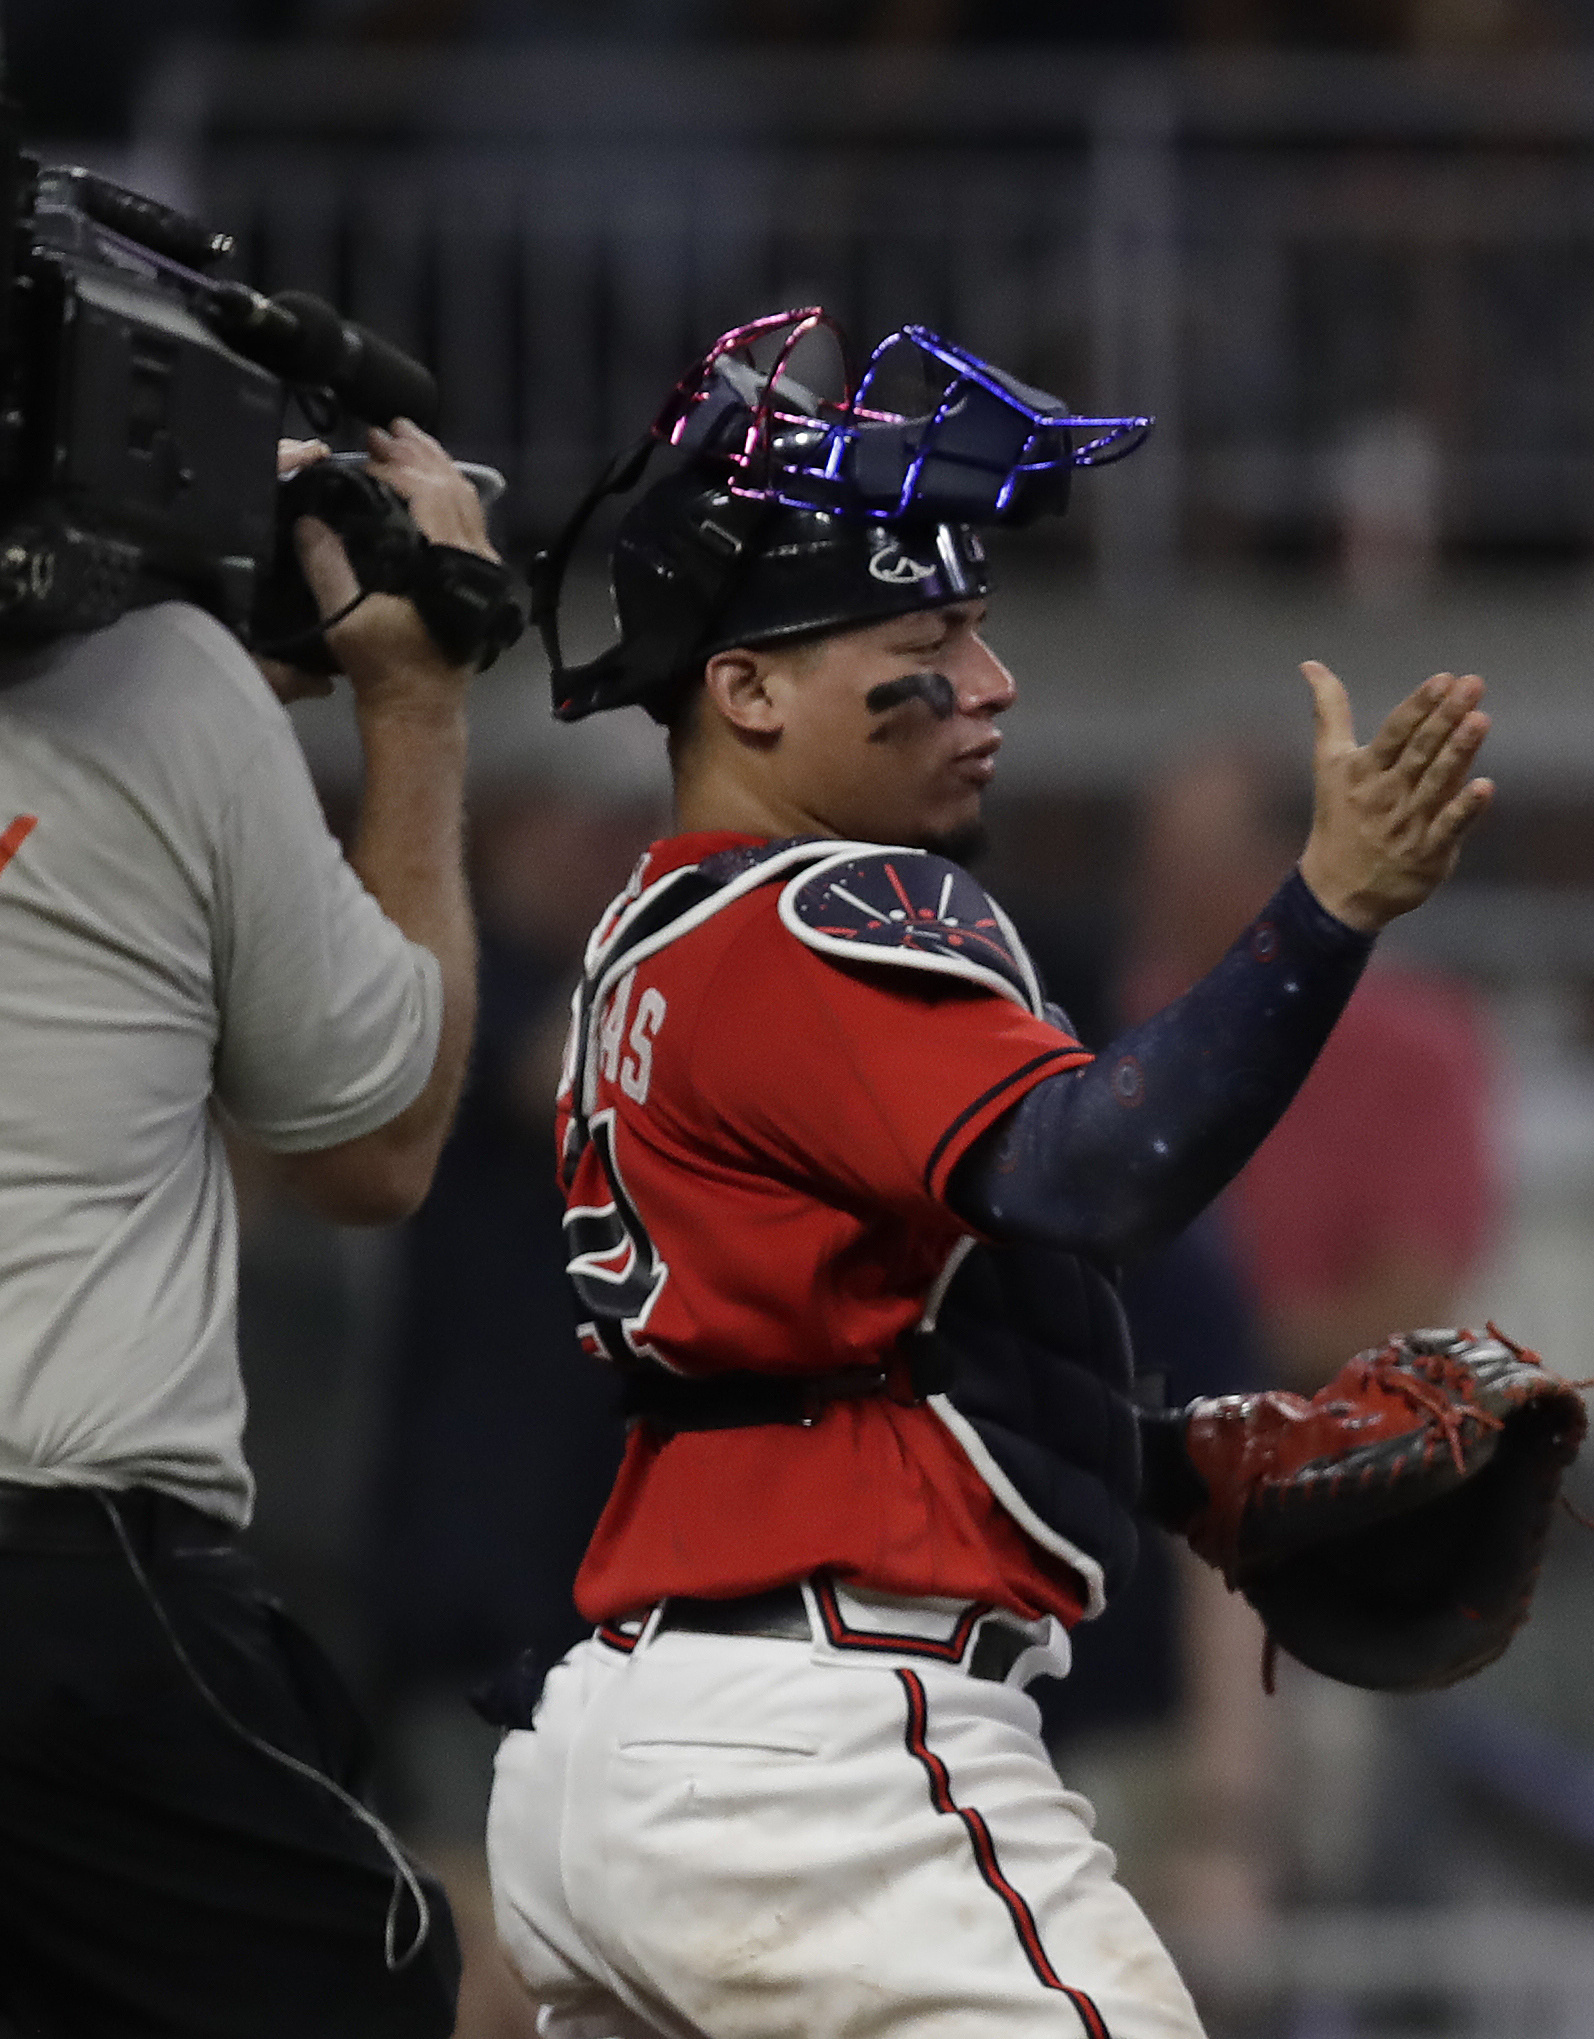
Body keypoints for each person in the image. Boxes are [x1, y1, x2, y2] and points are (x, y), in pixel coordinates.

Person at [486, 317, 1496, 2039]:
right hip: (821, 1757)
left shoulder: (642, 945)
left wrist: (1155, 1454)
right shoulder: (834, 907)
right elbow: (1097, 1172)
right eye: (927, 631)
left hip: (626, 1747)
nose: (991, 676)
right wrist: (1329, 907)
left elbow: (860, 1343)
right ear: (745, 688)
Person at [0, 422, 494, 2034]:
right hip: (55, 1575)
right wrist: (415, 703)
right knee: (371, 1986)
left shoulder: (172, 691)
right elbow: (374, 1144)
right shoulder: (162, 682)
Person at [1120, 744, 1503, 1387]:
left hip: (1321, 1440)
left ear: (1288, 867)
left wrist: (1195, 1347)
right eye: (1158, 869)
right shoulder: (1117, 1021)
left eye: (1197, 870)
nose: (1165, 899)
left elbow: (1405, 1304)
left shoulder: (1413, 1049)